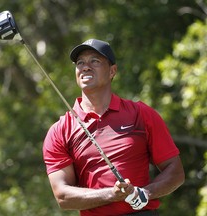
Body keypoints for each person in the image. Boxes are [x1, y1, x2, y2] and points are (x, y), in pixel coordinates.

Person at [42, 39, 185, 216]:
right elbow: (63, 196)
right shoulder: (60, 130)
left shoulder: (141, 114)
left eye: (95, 61)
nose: (85, 67)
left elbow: (176, 171)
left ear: (112, 71)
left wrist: (145, 193)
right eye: (80, 63)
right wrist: (112, 194)